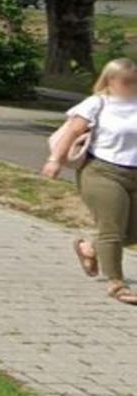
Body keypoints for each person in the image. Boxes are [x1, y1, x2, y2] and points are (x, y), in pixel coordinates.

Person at [42, 57, 137, 304]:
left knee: (133, 230)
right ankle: (116, 283)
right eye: (125, 80)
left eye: (134, 79)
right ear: (110, 80)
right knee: (112, 229)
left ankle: (90, 248)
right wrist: (55, 161)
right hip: (102, 171)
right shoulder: (97, 103)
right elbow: (72, 131)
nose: (131, 84)